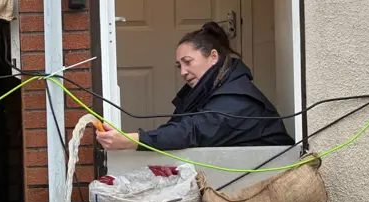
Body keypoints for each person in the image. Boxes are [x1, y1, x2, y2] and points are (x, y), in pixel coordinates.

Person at [96, 21, 294, 151]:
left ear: (213, 57)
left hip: (272, 179)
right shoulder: (204, 91)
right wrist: (128, 137)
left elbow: (192, 132)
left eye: (188, 62)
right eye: (179, 65)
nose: (182, 71)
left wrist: (132, 140)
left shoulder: (236, 96)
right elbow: (176, 129)